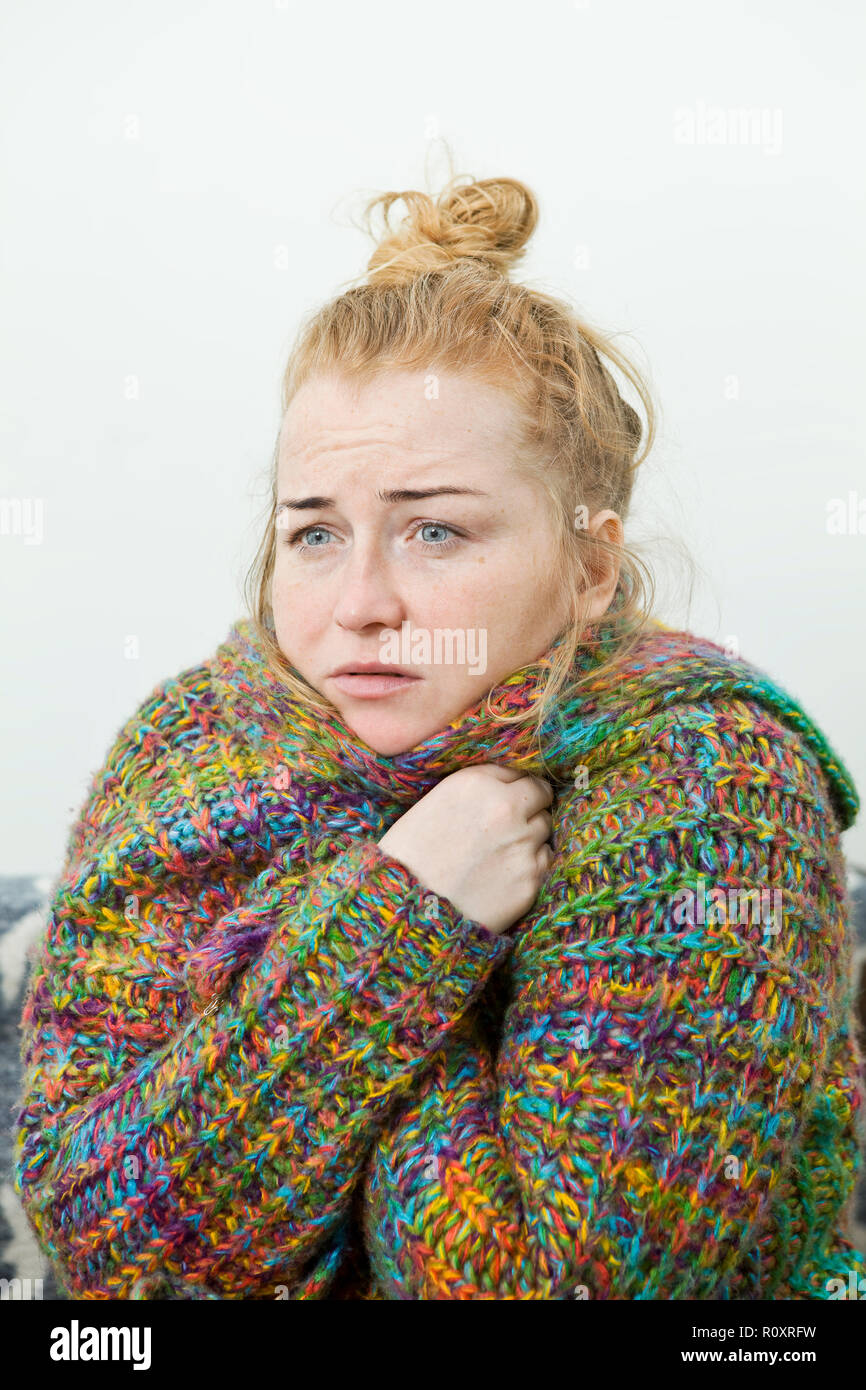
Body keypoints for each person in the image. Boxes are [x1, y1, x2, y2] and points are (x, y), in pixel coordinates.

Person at [14, 173, 865, 1300]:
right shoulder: (196, 749)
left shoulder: (706, 778)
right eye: (315, 535)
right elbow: (104, 1249)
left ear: (589, 565)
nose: (360, 598)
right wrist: (409, 910)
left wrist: (344, 1001)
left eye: (434, 529)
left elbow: (557, 1288)